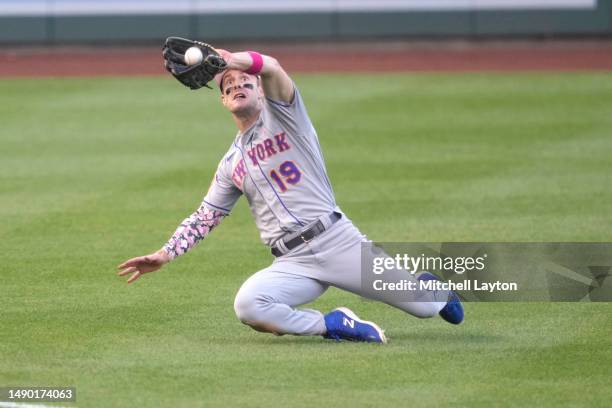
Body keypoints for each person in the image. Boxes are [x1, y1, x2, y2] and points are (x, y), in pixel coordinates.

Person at [118, 49, 463, 343]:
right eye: (228, 85)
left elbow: (270, 66)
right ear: (223, 100)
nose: (237, 85)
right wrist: (165, 254)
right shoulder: (230, 163)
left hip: (336, 241)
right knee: (249, 305)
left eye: (245, 82)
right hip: (292, 263)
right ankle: (332, 324)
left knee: (425, 308)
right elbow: (205, 216)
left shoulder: (285, 117)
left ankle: (431, 288)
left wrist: (229, 60)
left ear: (261, 92)